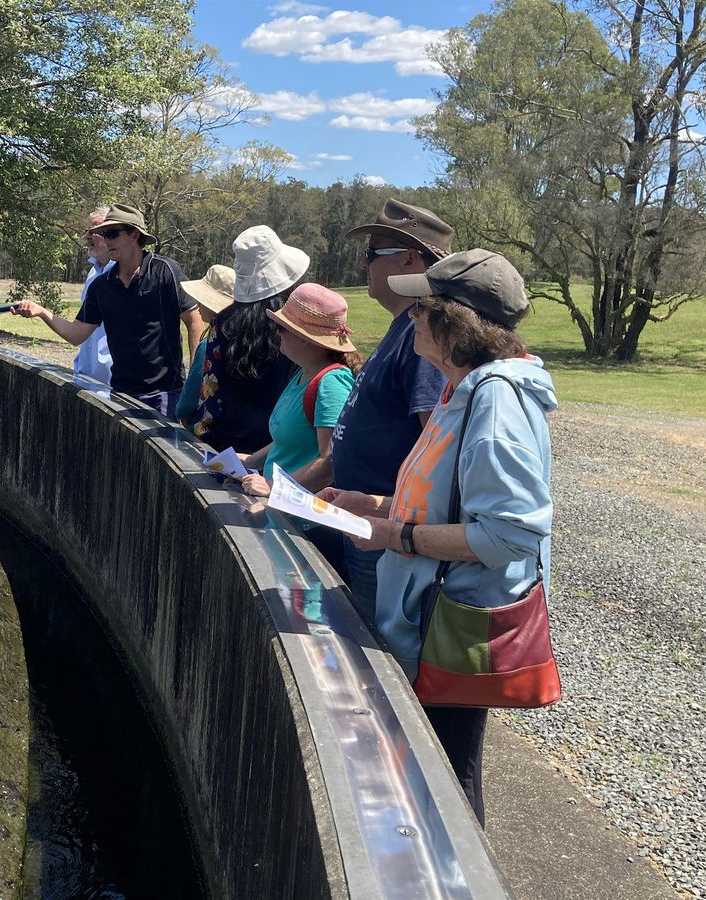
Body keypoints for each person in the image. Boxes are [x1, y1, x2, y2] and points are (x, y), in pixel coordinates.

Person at [322, 249, 556, 826]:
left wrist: (395, 533)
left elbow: (510, 533)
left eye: (421, 308)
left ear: (454, 322)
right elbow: (445, 500)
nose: (409, 318)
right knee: (430, 767)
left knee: (448, 778)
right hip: (428, 615)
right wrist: (373, 504)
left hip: (454, 624)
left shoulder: (496, 400)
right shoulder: (462, 389)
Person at [329, 199, 453, 623]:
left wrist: (387, 514)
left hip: (387, 533)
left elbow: (432, 450)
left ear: (408, 259)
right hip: (368, 518)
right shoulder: (404, 325)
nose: (365, 266)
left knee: (381, 655)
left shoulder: (422, 337)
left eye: (371, 255)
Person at [12, 203, 203, 416]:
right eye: (103, 234)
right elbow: (77, 334)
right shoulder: (101, 286)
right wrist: (41, 312)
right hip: (121, 393)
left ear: (134, 234)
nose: (106, 240)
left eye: (112, 233)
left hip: (165, 393)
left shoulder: (165, 270)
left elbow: (194, 320)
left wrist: (195, 383)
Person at [238, 283, 362, 575]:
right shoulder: (303, 375)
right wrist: (252, 460)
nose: (276, 332)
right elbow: (288, 436)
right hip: (283, 514)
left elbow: (330, 460)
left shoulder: (330, 383)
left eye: (283, 327)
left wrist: (274, 489)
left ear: (308, 339)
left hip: (309, 526)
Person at [190, 226, 308, 453]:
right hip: (277, 447)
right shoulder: (291, 326)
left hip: (226, 447)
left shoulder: (223, 322)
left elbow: (210, 392)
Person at [175, 264, 235, 424]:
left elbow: (186, 403)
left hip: (204, 432)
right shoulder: (239, 338)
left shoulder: (209, 344)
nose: (198, 304)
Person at [72, 207, 116, 384]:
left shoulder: (125, 274)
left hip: (112, 381)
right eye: (86, 231)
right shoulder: (93, 273)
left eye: (95, 229)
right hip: (85, 374)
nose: (88, 236)